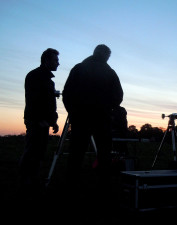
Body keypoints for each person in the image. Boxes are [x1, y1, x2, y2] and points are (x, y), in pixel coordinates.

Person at [62, 44, 123, 210]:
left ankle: (71, 188)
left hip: (80, 117)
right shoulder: (110, 72)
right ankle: (103, 188)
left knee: (76, 153)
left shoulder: (79, 68)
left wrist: (73, 112)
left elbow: (66, 93)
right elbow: (119, 96)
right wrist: (108, 108)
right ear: (107, 56)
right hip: (101, 119)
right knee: (104, 153)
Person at [19, 48, 60, 198]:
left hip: (43, 122)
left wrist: (53, 121)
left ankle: (33, 180)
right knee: (32, 151)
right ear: (46, 60)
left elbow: (49, 103)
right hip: (36, 121)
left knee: (39, 151)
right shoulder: (34, 76)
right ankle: (26, 182)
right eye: (56, 60)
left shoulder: (48, 81)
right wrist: (41, 120)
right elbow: (34, 101)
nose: (58, 63)